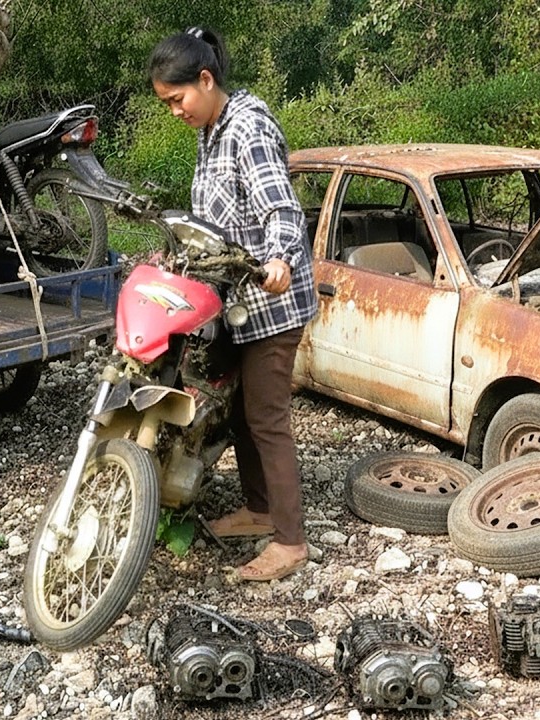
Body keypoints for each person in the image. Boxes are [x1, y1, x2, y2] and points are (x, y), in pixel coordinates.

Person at [149, 27, 318, 582]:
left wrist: (280, 258)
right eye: (166, 103)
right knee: (240, 410)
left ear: (205, 80)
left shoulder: (248, 126)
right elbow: (214, 218)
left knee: (267, 418)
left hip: (272, 300)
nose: (175, 111)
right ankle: (259, 508)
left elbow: (280, 207)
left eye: (177, 98)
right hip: (235, 301)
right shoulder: (209, 131)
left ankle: (290, 541)